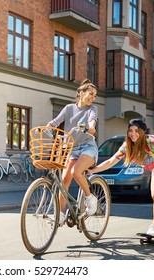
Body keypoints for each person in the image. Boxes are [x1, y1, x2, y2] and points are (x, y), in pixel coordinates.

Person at [46, 79, 99, 226]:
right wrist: (48, 126)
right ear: (81, 93)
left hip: (88, 147)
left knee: (77, 172)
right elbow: (56, 121)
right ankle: (61, 215)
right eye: (90, 94)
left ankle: (90, 198)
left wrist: (90, 128)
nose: (93, 98)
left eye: (95, 95)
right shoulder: (69, 108)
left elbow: (92, 121)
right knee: (64, 182)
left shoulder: (92, 109)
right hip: (71, 149)